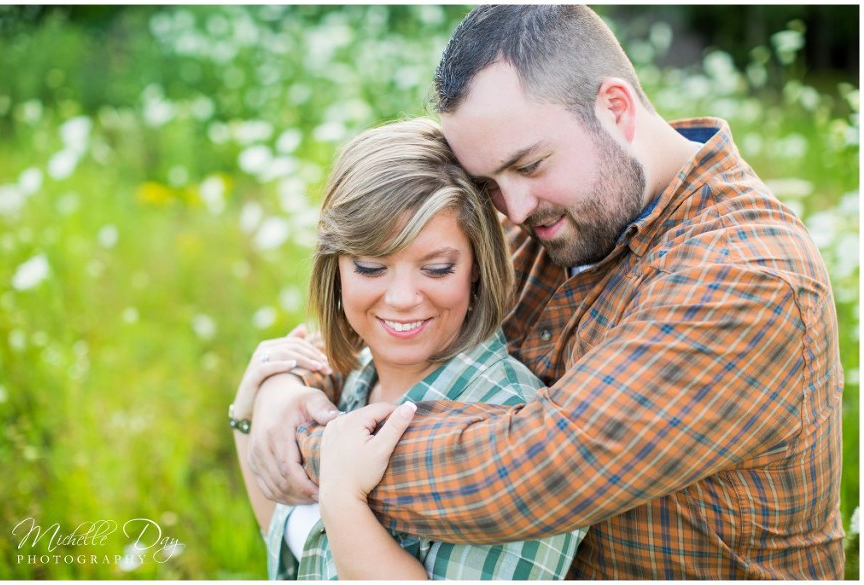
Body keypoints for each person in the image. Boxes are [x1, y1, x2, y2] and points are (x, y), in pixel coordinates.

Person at [245, 5, 845, 579]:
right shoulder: (548, 216)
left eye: (529, 166)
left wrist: (317, 448)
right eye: (489, 183)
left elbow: (526, 473)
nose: (514, 207)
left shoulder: (746, 276)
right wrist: (279, 384)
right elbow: (388, 320)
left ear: (615, 108)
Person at [231, 117, 586, 580]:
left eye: (436, 268)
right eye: (371, 267)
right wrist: (251, 407)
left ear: (477, 266)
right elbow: (289, 553)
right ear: (335, 267)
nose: (401, 298)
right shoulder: (358, 375)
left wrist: (343, 498)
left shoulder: (511, 421)